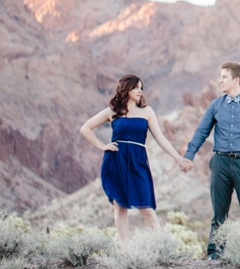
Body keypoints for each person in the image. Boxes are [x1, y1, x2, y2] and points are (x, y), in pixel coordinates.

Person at [80, 74, 192, 245]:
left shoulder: (147, 111)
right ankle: (126, 250)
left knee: (146, 207)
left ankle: (159, 248)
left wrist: (179, 158)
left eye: (141, 88)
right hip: (116, 161)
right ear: (126, 89)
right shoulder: (113, 112)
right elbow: (85, 128)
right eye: (136, 87)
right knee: (120, 206)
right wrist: (102, 146)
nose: (140, 91)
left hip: (138, 161)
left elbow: (160, 138)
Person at [182, 61, 240, 259]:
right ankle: (215, 254)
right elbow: (201, 132)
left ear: (236, 80)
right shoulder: (216, 105)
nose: (219, 80)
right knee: (219, 213)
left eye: (224, 77)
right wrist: (189, 156)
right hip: (220, 163)